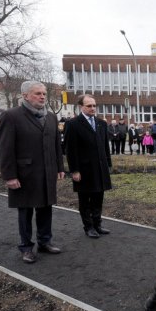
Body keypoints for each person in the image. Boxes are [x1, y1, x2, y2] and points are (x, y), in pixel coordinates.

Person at [0, 81, 65, 263]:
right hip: (24, 174)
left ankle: (45, 241)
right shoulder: (11, 116)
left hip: (47, 172)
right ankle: (26, 247)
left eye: (44, 93)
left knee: (45, 208)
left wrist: (59, 167)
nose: (42, 96)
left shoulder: (51, 117)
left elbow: (56, 145)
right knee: (25, 212)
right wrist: (9, 176)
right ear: (25, 95)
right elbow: (5, 149)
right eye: (37, 93)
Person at [64, 94, 112, 238]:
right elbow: (70, 150)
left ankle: (97, 224)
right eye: (89, 106)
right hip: (84, 170)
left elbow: (105, 147)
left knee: (98, 197)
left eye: (94, 105)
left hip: (100, 168)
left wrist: (108, 164)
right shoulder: (73, 124)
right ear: (81, 107)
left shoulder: (101, 123)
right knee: (85, 200)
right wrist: (74, 170)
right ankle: (88, 226)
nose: (93, 108)